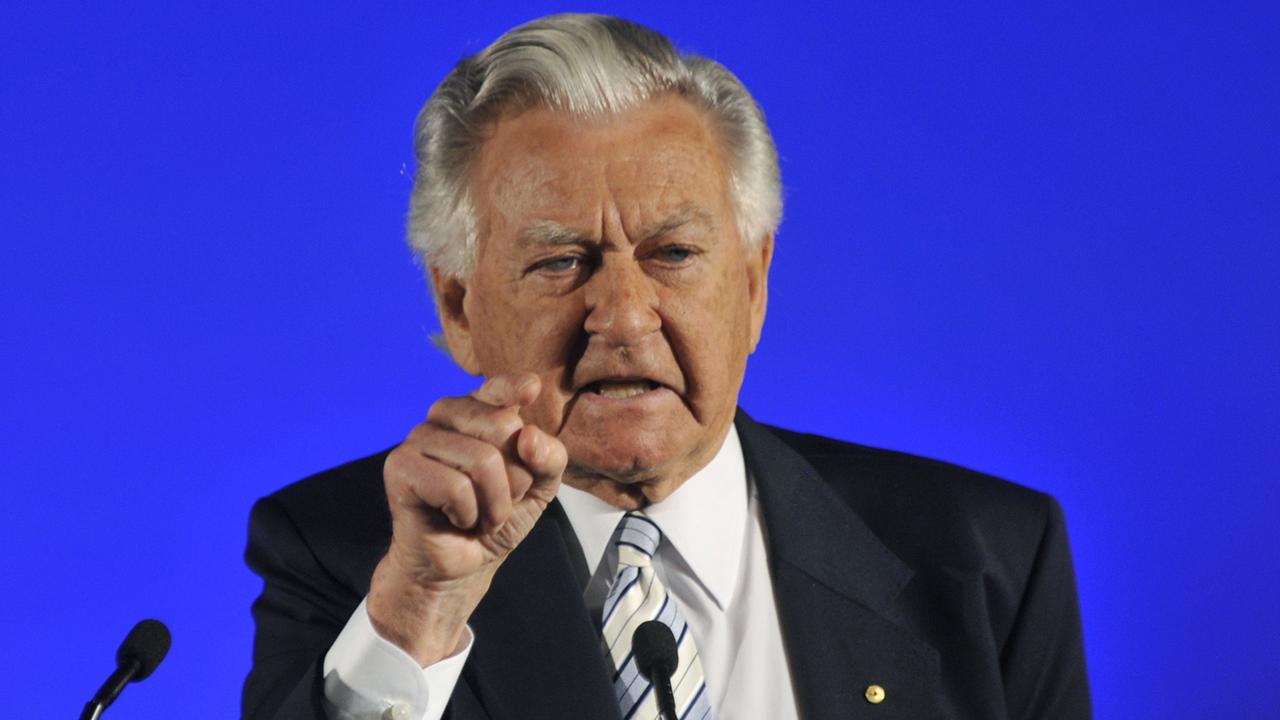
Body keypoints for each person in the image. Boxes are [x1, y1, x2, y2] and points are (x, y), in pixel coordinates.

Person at [243, 13, 1090, 720]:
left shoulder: (988, 559)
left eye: (674, 253)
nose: (621, 315)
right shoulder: (349, 555)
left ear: (753, 287)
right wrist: (420, 610)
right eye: (560, 261)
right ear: (459, 309)